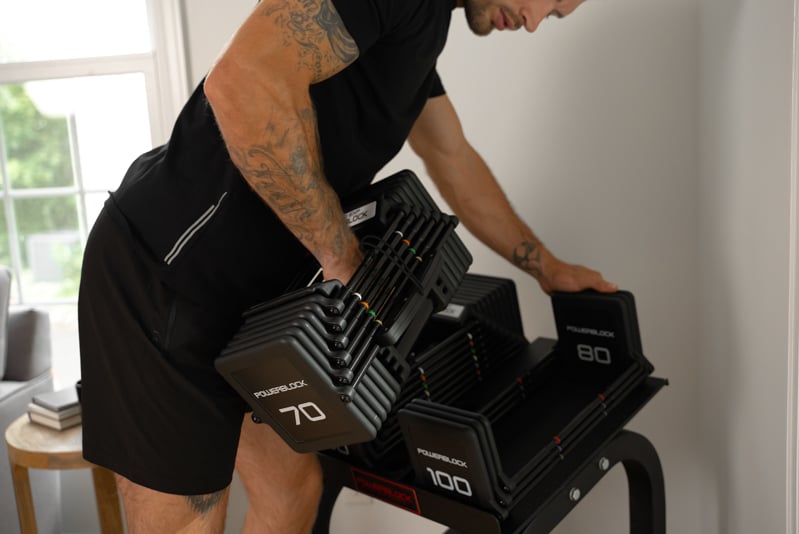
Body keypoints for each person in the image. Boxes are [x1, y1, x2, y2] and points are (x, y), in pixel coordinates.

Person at [78, 0, 617, 532]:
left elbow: (452, 158)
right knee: (192, 522)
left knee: (292, 493)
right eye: (545, 1)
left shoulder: (424, 27)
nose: (532, 20)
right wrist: (339, 252)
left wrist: (546, 267)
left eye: (554, 17)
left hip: (253, 305)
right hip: (166, 277)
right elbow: (241, 81)